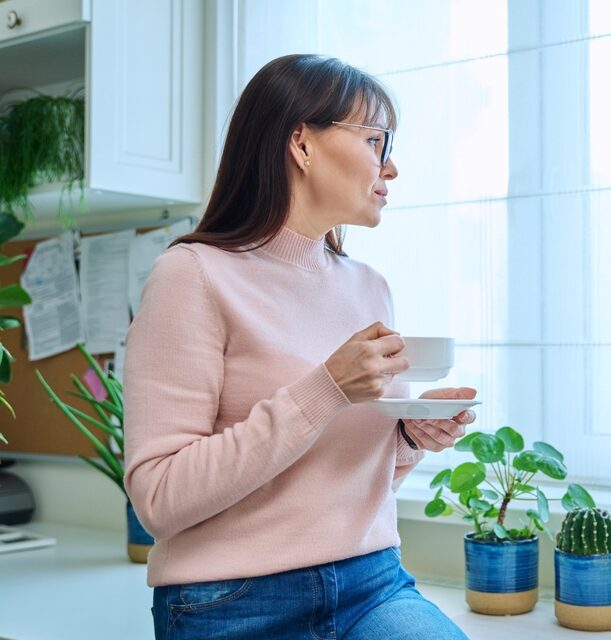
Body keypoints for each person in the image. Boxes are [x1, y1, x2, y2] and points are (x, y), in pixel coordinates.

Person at [123, 54, 475, 640]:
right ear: (302, 143)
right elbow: (158, 499)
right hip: (231, 601)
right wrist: (325, 389)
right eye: (376, 141)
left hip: (372, 583)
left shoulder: (369, 288)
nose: (392, 169)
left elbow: (345, 486)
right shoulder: (191, 276)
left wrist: (409, 439)